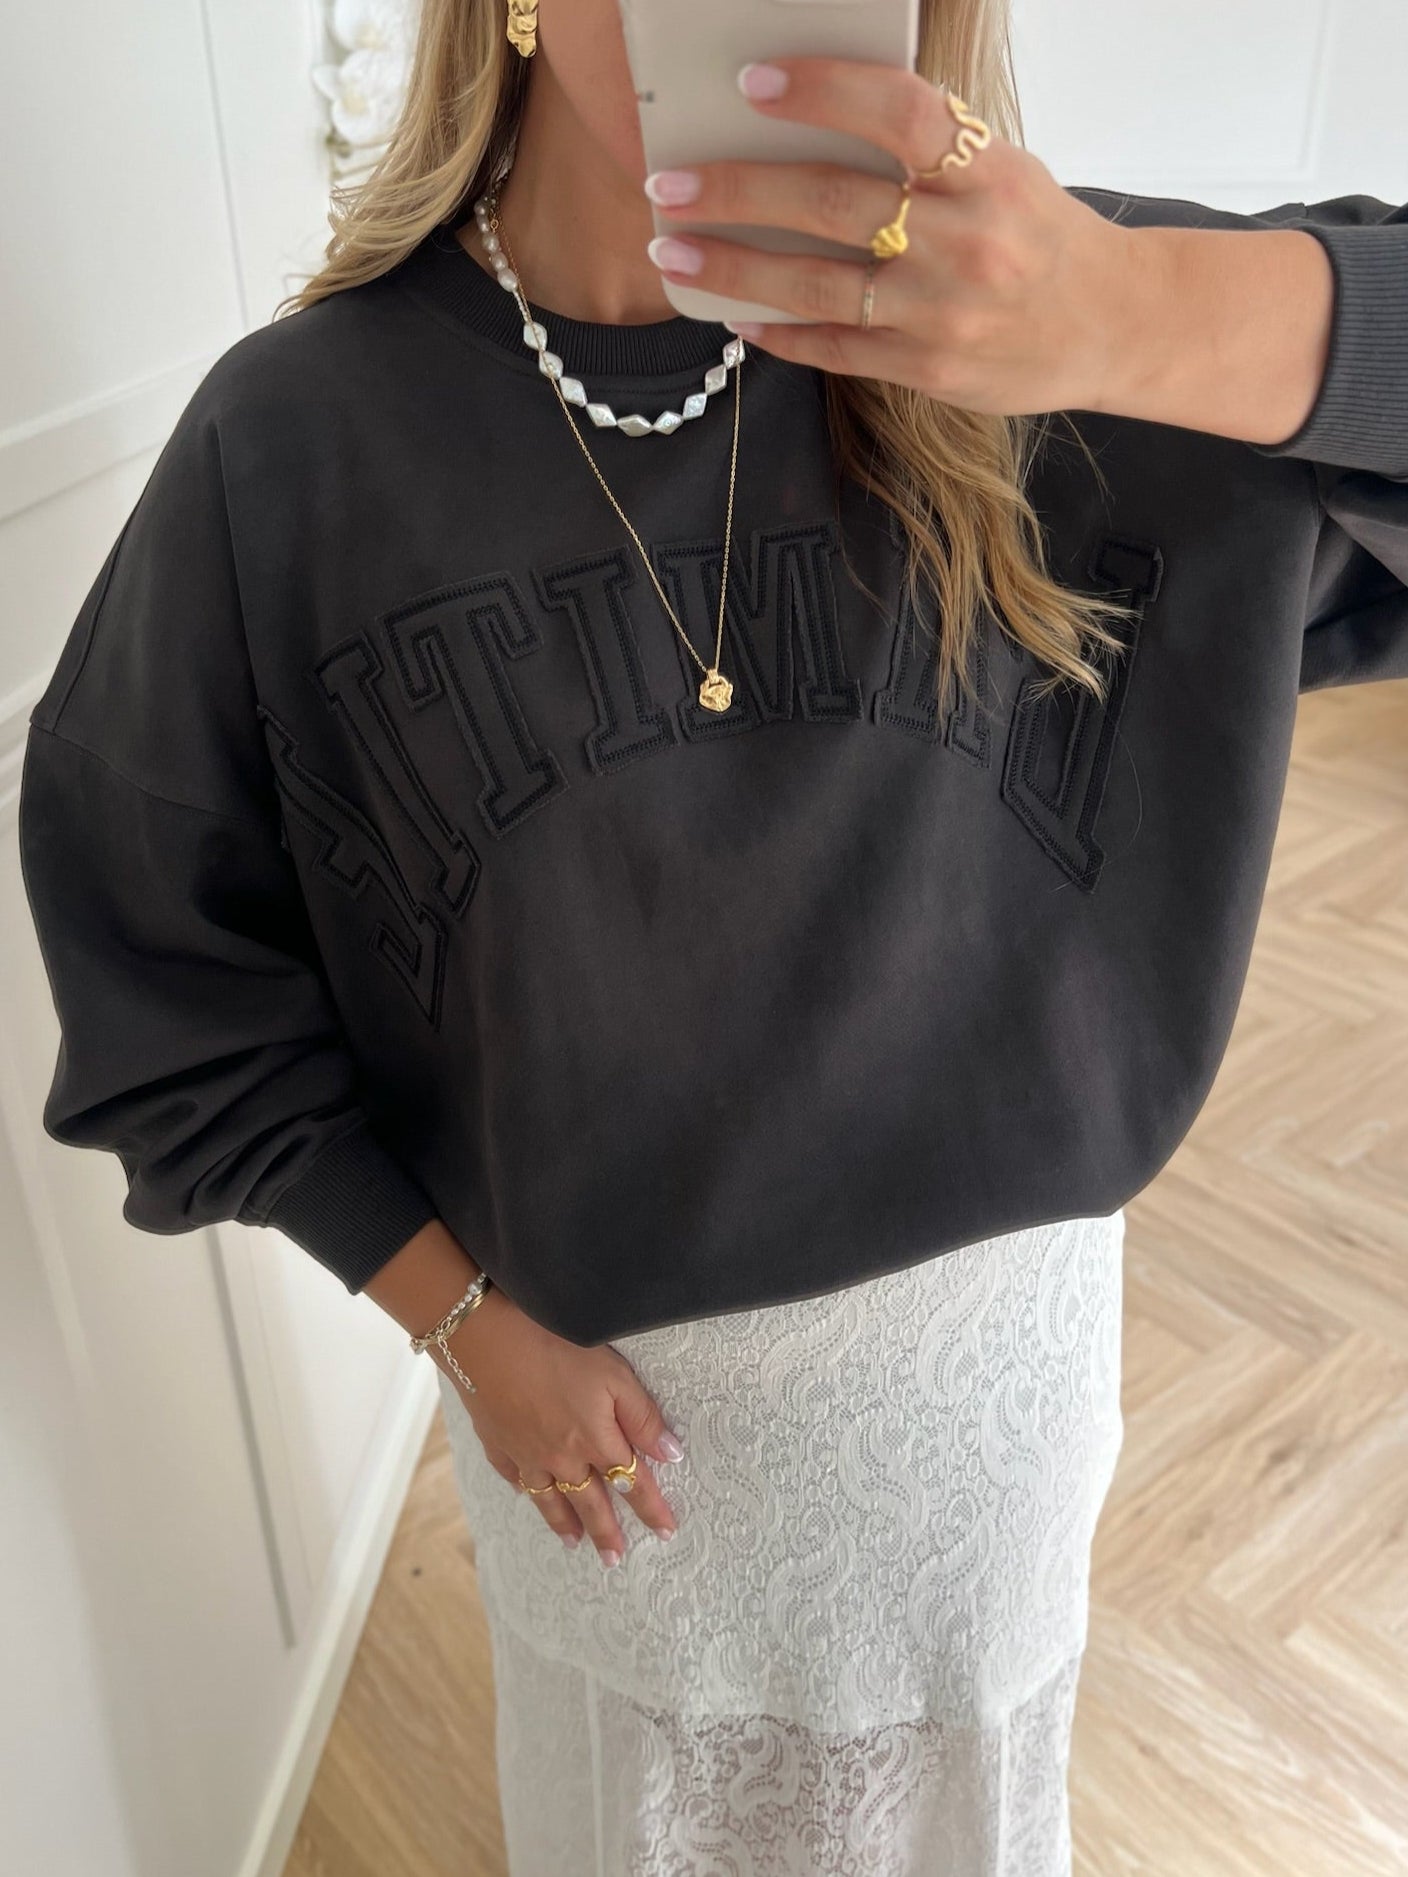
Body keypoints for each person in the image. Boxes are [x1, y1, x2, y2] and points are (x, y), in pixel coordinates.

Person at [17, 1, 1407, 1871]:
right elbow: (163, 969)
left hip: (987, 1436)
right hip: (608, 1474)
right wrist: (456, 1317)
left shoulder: (1063, 334)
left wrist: (1135, 316)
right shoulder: (297, 449)